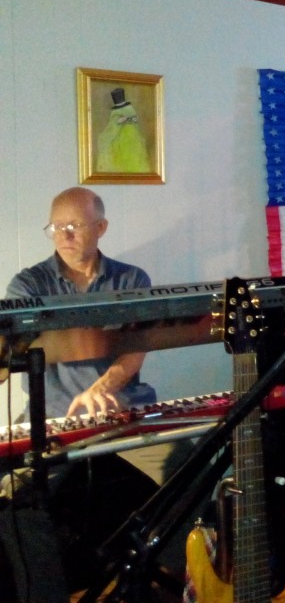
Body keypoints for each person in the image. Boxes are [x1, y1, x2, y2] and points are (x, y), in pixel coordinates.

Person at [1, 186, 160, 601]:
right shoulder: (28, 284)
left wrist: (103, 386)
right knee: (14, 498)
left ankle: (179, 584)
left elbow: (137, 347)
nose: (64, 235)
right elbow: (13, 346)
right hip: (53, 419)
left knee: (187, 469)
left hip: (124, 412)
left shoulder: (132, 279)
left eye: (74, 225)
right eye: (56, 227)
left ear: (100, 228)